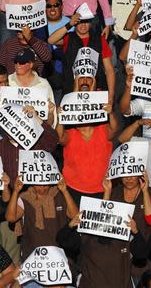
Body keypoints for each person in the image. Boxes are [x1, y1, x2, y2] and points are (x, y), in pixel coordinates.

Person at [0, 105, 58, 264]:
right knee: (10, 250)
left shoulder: (36, 143)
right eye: (10, 123)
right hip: (11, 204)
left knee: (39, 242)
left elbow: (54, 140)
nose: (13, 127)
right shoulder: (0, 147)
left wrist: (37, 118)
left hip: (35, 203)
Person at [57, 76, 118, 205]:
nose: (84, 81)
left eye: (88, 78)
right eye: (80, 78)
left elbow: (114, 129)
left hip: (101, 190)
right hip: (72, 189)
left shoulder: (102, 129)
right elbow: (60, 138)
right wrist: (60, 118)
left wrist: (110, 113)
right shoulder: (70, 132)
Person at [57, 212, 147, 288]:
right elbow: (62, 241)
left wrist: (136, 232)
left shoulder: (126, 237)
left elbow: (141, 254)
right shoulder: (86, 235)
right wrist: (70, 226)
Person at [103, 171, 151, 282]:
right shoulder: (113, 192)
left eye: (132, 174)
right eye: (125, 174)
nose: (129, 178)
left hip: (142, 262)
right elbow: (102, 221)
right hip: (116, 259)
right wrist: (107, 192)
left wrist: (145, 191)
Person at [5, 176, 78, 261]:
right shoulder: (25, 198)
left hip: (60, 254)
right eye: (38, 184)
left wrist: (65, 191)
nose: (42, 187)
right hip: (33, 254)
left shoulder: (60, 195)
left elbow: (75, 217)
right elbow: (10, 218)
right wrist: (16, 191)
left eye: (45, 185)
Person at [48, 11, 116, 103]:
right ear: (75, 23)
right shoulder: (68, 38)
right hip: (71, 90)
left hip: (97, 90)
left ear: (91, 23)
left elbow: (109, 70)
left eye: (86, 22)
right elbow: (51, 40)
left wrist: (111, 97)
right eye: (79, 22)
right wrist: (69, 24)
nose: (83, 25)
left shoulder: (100, 40)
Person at [8, 48, 57, 127]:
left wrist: (50, 113)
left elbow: (51, 123)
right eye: (15, 62)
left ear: (31, 64)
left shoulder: (43, 84)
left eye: (22, 62)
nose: (18, 65)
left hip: (39, 132)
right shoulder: (8, 82)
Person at [44, 0, 70, 105]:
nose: (52, 8)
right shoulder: (39, 23)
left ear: (62, 7)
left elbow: (70, 43)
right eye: (48, 6)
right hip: (44, 66)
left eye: (56, 5)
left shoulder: (70, 23)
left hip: (63, 66)